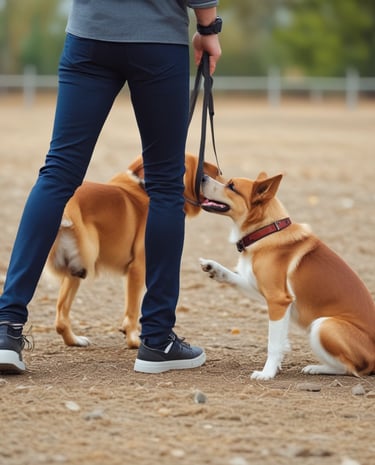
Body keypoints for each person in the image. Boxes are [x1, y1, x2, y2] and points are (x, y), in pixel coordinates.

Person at [0, 1, 222, 375]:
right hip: (157, 40)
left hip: (89, 33)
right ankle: (157, 339)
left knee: (57, 173)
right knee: (167, 184)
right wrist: (208, 28)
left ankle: (5, 329)